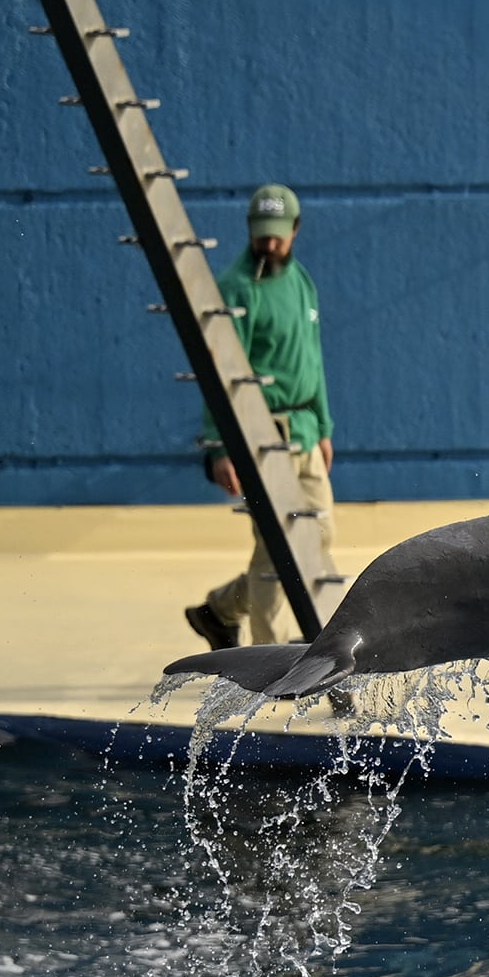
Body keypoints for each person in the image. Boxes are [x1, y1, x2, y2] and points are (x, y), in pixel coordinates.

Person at [184, 184, 335, 650]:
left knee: (319, 536)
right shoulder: (236, 288)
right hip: (260, 435)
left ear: (295, 229)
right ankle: (273, 658)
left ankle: (220, 611)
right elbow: (219, 371)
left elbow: (312, 360)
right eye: (261, 235)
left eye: (277, 235)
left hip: (305, 434)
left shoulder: (301, 281)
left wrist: (323, 426)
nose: (269, 244)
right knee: (276, 552)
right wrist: (220, 445)